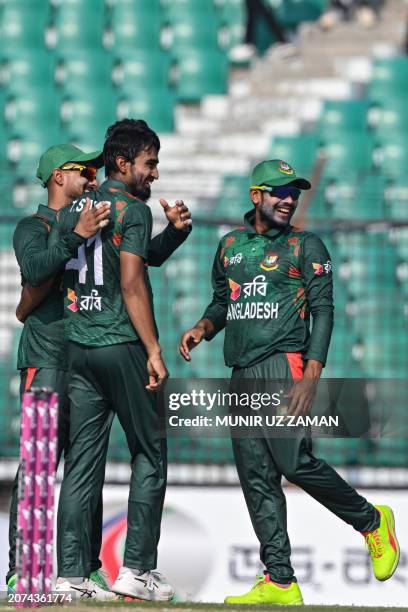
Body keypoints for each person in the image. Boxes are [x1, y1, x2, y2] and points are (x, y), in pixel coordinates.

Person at [179, 159, 400, 605]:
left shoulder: (306, 245)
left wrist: (312, 372)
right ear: (255, 195)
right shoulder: (229, 246)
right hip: (241, 370)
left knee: (294, 462)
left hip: (285, 365)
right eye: (279, 192)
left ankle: (372, 521)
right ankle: (279, 579)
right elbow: (225, 301)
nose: (288, 199)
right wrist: (204, 326)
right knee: (256, 475)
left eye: (294, 193)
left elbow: (324, 310)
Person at [54, 119, 192, 601]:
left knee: (82, 464)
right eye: (150, 163)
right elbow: (132, 282)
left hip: (79, 348)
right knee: (151, 451)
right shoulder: (133, 210)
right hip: (121, 345)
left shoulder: (77, 207)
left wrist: (173, 236)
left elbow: (127, 259)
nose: (155, 173)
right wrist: (154, 349)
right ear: (122, 162)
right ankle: (136, 569)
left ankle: (69, 576)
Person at [7, 144, 112, 595]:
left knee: (86, 469)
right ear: (56, 177)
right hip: (47, 359)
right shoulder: (33, 226)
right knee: (38, 464)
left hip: (90, 359)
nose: (93, 178)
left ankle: (85, 569)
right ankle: (24, 570)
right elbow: (33, 270)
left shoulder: (92, 224)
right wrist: (75, 235)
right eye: (83, 171)